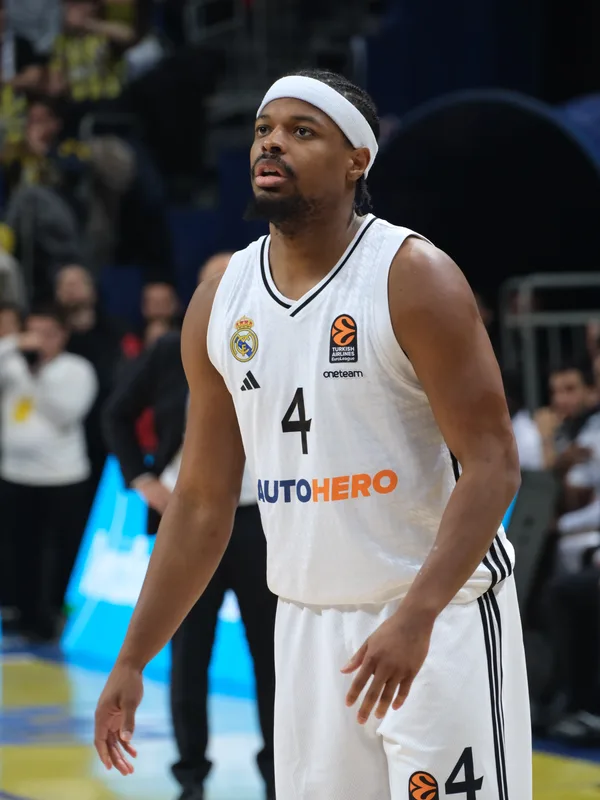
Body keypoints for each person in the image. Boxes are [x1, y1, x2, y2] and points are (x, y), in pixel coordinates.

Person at [94, 69, 530, 800]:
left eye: (302, 131)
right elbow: (199, 502)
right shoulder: (219, 301)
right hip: (306, 626)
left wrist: (417, 617)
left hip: (437, 617)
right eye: (264, 129)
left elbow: (494, 464)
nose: (272, 143)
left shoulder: (411, 275)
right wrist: (133, 658)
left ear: (357, 160)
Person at [102, 252, 276, 800]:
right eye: (213, 281)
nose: (225, 288)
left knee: (272, 656)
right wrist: (143, 480)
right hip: (191, 515)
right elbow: (116, 414)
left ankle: (278, 776)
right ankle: (191, 776)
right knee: (188, 654)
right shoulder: (172, 348)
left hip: (260, 519)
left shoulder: (280, 336)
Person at [0, 303, 97, 639]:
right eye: (34, 333)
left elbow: (64, 413)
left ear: (63, 336)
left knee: (56, 552)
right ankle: (21, 612)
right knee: (18, 549)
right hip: (15, 474)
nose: (40, 341)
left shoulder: (76, 369)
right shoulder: (12, 363)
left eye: (48, 334)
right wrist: (12, 345)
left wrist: (35, 374)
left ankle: (50, 616)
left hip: (61, 478)